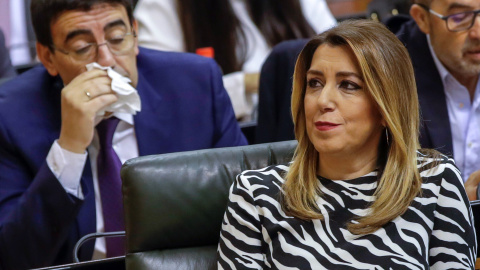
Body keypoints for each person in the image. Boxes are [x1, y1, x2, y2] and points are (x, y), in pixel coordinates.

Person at [0, 0, 247, 269]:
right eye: (83, 47)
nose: (107, 60)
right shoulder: (10, 116)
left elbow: (245, 209)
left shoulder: (195, 84)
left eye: (117, 39)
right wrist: (69, 148)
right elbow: (13, 256)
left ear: (135, 34)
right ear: (48, 57)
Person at [218, 20, 476, 269]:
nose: (323, 100)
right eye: (314, 83)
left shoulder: (434, 181)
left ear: (386, 107)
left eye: (348, 85)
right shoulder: (255, 193)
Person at [134, 0, 336, 120]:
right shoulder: (162, 6)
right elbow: (162, 97)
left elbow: (340, 55)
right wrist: (249, 84)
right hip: (226, 146)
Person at [394, 0, 480, 200]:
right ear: (422, 18)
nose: (478, 33)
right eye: (460, 17)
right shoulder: (390, 73)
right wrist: (457, 203)